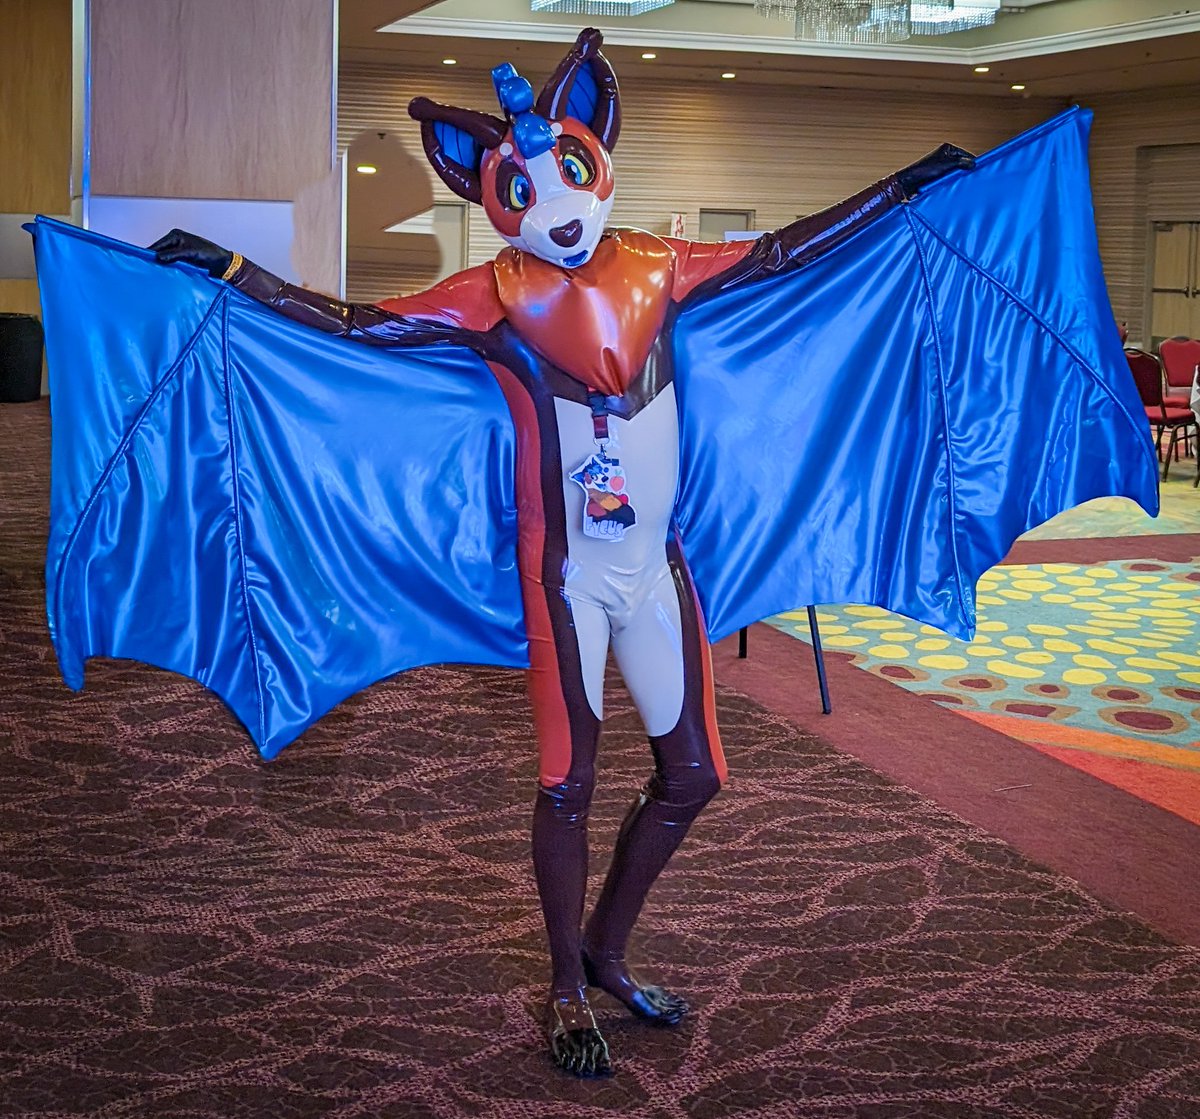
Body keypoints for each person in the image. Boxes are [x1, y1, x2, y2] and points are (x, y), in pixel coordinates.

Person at [150, 28, 972, 1076]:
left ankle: (607, 953)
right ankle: (564, 987)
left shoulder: (660, 264)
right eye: (523, 188)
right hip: (568, 577)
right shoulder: (489, 293)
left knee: (693, 777)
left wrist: (902, 191)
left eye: (568, 172)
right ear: (481, 188)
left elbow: (786, 249)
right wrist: (228, 272)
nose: (559, 205)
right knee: (567, 783)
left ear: (600, 144)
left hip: (655, 570)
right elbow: (353, 328)